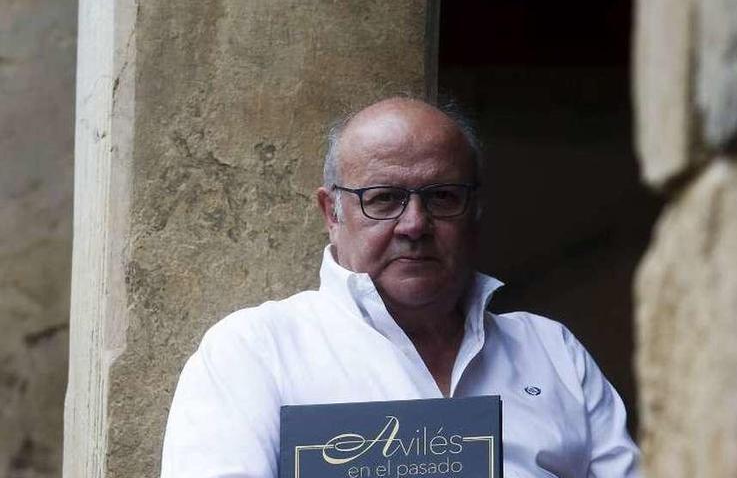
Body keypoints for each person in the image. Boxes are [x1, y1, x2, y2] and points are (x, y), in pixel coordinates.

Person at [160, 97, 641, 477]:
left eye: (442, 197)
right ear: (333, 212)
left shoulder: (550, 350)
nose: (415, 223)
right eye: (384, 198)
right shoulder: (255, 351)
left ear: (474, 210)